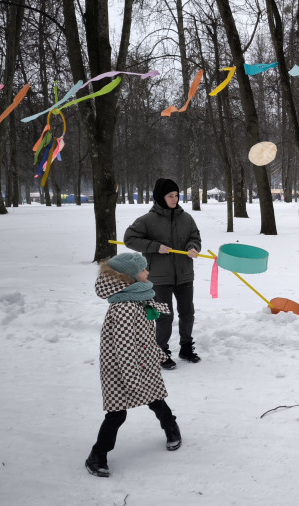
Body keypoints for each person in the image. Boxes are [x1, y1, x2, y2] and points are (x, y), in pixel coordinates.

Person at [86, 253, 182, 478]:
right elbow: (125, 347)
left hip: (142, 363)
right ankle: (97, 455)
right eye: (143, 270)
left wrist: (158, 354)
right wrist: (132, 379)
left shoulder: (136, 299)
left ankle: (172, 429)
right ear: (129, 278)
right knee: (117, 414)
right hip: (123, 370)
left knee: (156, 400)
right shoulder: (125, 307)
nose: (147, 273)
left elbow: (144, 337)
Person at [124, 178, 202, 369]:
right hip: (159, 277)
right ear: (161, 197)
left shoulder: (186, 218)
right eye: (170, 196)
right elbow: (129, 238)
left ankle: (186, 348)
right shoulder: (147, 220)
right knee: (164, 316)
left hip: (184, 274)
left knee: (187, 313)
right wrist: (154, 247)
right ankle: (161, 352)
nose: (175, 199)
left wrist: (193, 247)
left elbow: (195, 237)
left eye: (176, 195)